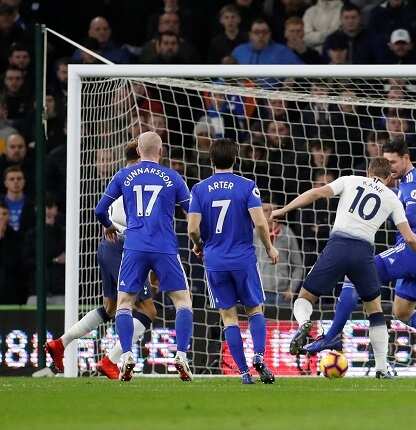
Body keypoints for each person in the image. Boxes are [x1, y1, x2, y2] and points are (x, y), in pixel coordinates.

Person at [272, 157, 416, 379]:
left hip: (337, 246)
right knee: (374, 308)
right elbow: (410, 238)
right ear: (389, 178)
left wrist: (284, 209)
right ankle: (381, 368)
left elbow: (315, 193)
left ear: (368, 172)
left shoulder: (350, 180)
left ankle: (305, 323)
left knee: (305, 296)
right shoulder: (392, 197)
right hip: (363, 254)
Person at [304, 140, 416, 373]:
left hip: (411, 250)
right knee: (402, 311)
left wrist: (390, 202)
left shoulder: (411, 183)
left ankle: (331, 336)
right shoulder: (407, 182)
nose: (390, 167)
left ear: (406, 158)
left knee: (354, 278)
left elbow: (412, 217)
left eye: (393, 162)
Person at [46, 141, 158, 379]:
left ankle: (60, 343)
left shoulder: (118, 179)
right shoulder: (138, 182)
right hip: (124, 248)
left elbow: (105, 212)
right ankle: (111, 361)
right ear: (141, 156)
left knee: (111, 307)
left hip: (107, 247)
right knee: (147, 310)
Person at [93, 131, 194, 382]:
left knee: (125, 303)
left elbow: (99, 210)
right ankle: (181, 355)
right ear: (161, 151)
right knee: (182, 302)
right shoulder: (172, 177)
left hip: (134, 246)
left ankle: (126, 355)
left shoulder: (124, 175)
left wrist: (108, 225)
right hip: (165, 246)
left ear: (138, 151)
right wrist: (198, 241)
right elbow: (191, 211)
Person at [187, 138, 278, 385]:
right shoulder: (247, 186)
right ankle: (258, 357)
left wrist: (198, 245)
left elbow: (192, 228)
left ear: (211, 159)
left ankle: (244, 374)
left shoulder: (199, 189)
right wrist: (269, 248)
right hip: (243, 259)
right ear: (235, 158)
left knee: (228, 317)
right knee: (254, 309)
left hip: (214, 261)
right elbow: (260, 222)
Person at [255, 202, 303, 307]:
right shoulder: (253, 234)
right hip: (259, 293)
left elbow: (298, 266)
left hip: (282, 295)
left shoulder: (287, 233)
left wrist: (292, 289)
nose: (270, 213)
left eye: (273, 209)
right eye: (266, 210)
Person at [232, 19, 302, 65]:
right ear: (250, 35)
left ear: (269, 34)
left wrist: (291, 78)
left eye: (264, 32)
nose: (261, 35)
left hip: (270, 88)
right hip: (241, 87)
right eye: (256, 32)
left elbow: (303, 71)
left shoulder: (282, 51)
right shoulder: (238, 51)